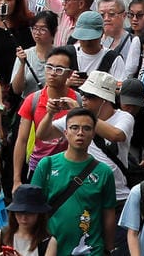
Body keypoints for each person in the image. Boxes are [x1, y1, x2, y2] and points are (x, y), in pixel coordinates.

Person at [29, 109, 118, 256]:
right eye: (74, 127)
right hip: (52, 249)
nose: (80, 133)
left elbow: (108, 214)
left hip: (91, 250)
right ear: (65, 133)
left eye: (87, 128)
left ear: (93, 134)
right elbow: (33, 208)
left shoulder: (104, 172)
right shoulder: (47, 165)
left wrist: (108, 248)